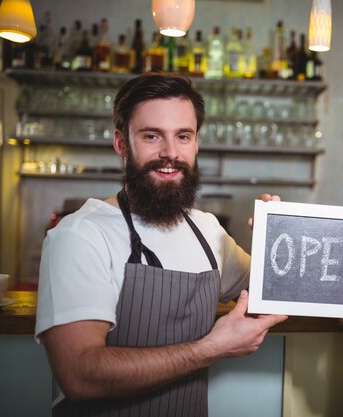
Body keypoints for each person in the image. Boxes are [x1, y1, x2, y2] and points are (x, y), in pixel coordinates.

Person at [35, 73, 287, 417]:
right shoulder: (80, 234)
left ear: (196, 143)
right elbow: (80, 375)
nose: (170, 153)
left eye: (183, 136)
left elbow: (275, 292)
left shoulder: (207, 230)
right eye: (152, 136)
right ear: (122, 143)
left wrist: (280, 239)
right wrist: (209, 349)